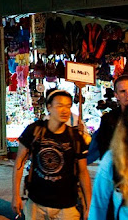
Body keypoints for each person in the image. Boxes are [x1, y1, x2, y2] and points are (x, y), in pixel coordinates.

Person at [12, 89, 92, 220]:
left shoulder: (76, 138)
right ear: (49, 107)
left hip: (67, 207)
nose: (65, 110)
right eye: (60, 105)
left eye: (68, 106)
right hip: (36, 204)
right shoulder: (34, 131)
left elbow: (83, 172)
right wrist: (15, 196)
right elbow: (19, 163)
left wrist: (89, 205)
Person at [92, 75, 128, 161]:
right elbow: (104, 151)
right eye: (122, 91)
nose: (127, 95)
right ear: (116, 95)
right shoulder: (108, 119)